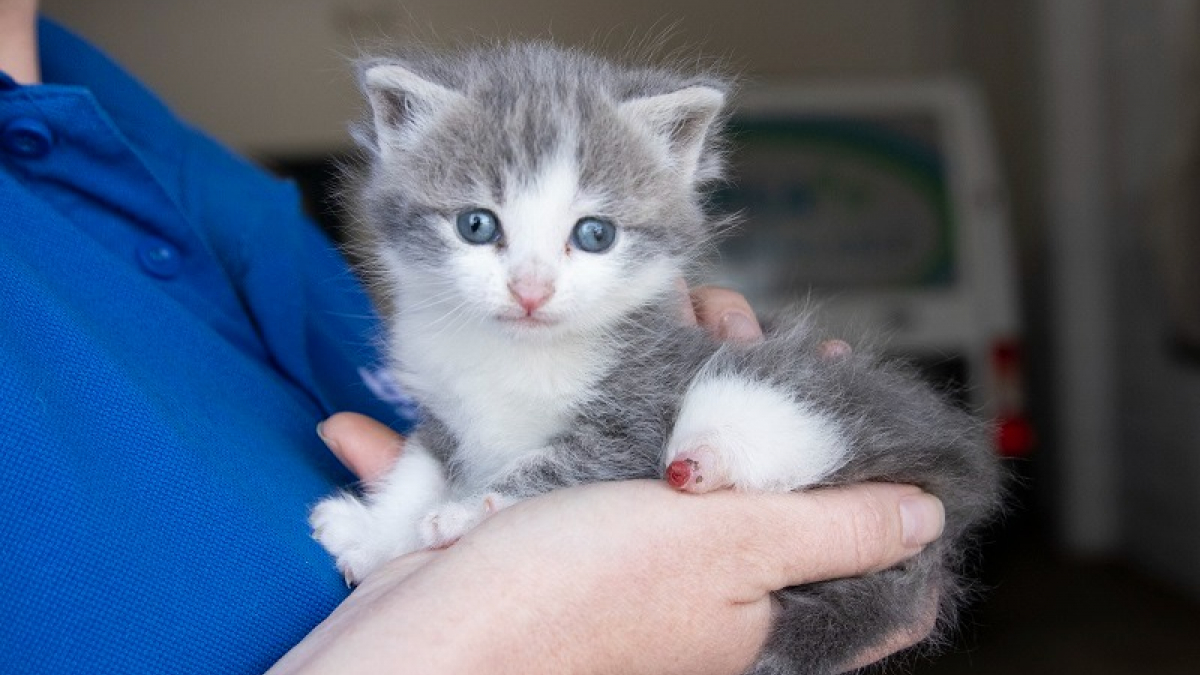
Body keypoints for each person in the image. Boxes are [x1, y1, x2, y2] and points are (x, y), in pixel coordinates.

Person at [0, 2, 944, 673]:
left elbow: (451, 434)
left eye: (591, 235)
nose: (531, 288)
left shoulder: (169, 153)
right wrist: (477, 633)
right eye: (482, 229)